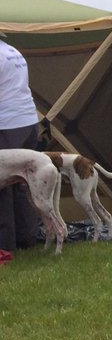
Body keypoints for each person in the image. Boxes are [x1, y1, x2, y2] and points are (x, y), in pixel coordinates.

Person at [0, 35, 41, 256]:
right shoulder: (13, 51)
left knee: (3, 184)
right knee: (23, 182)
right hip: (28, 122)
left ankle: (4, 244)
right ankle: (27, 237)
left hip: (8, 126)